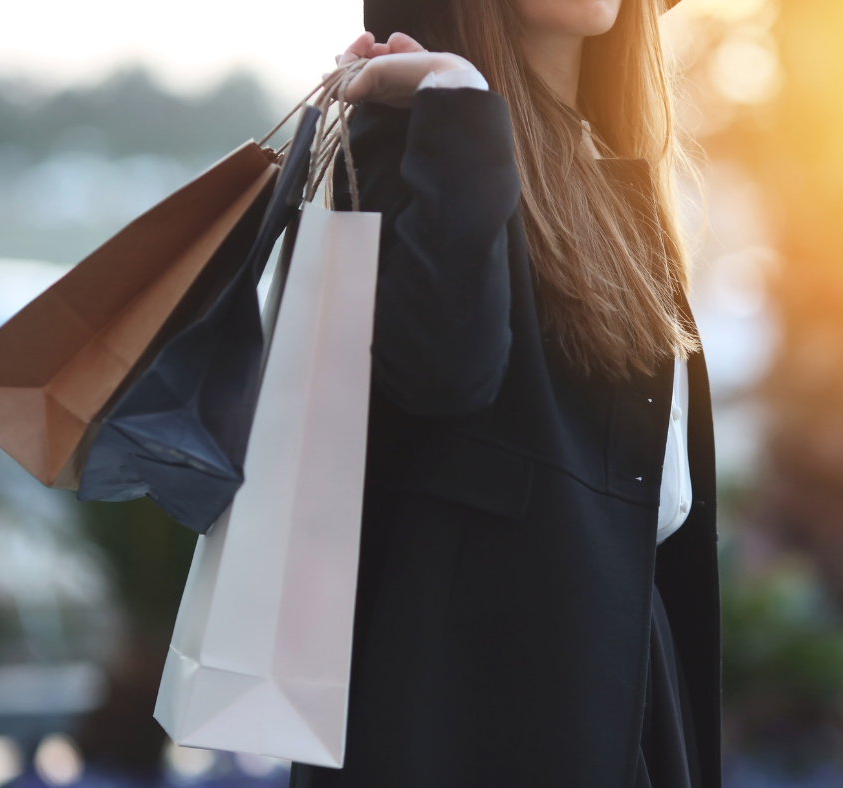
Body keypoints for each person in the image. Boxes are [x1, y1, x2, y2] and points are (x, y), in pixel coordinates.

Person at [290, 0, 719, 785]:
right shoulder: (423, 130)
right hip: (483, 710)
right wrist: (458, 99)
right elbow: (444, 371)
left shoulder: (610, 173)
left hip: (623, 676)